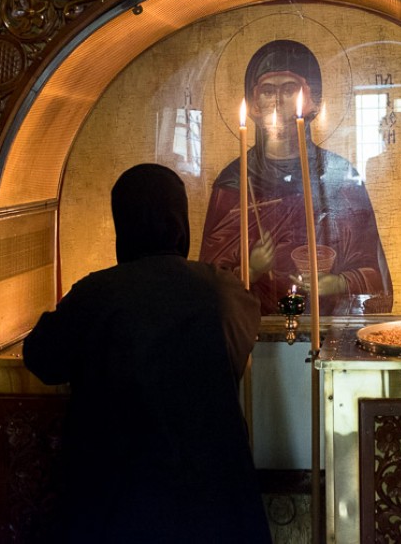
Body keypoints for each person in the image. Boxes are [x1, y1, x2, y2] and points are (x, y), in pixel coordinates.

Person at [23, 163, 270, 543]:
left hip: (118, 497)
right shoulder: (221, 288)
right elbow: (237, 347)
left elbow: (41, 358)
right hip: (212, 497)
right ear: (180, 220)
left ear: (123, 224)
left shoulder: (97, 294)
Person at [200, 39, 392, 315]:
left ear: (312, 100)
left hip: (328, 330)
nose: (277, 102)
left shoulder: (340, 178)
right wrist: (250, 270)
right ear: (253, 105)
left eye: (289, 89)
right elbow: (207, 285)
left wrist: (338, 282)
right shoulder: (235, 182)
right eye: (267, 91)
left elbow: (377, 281)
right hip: (253, 333)